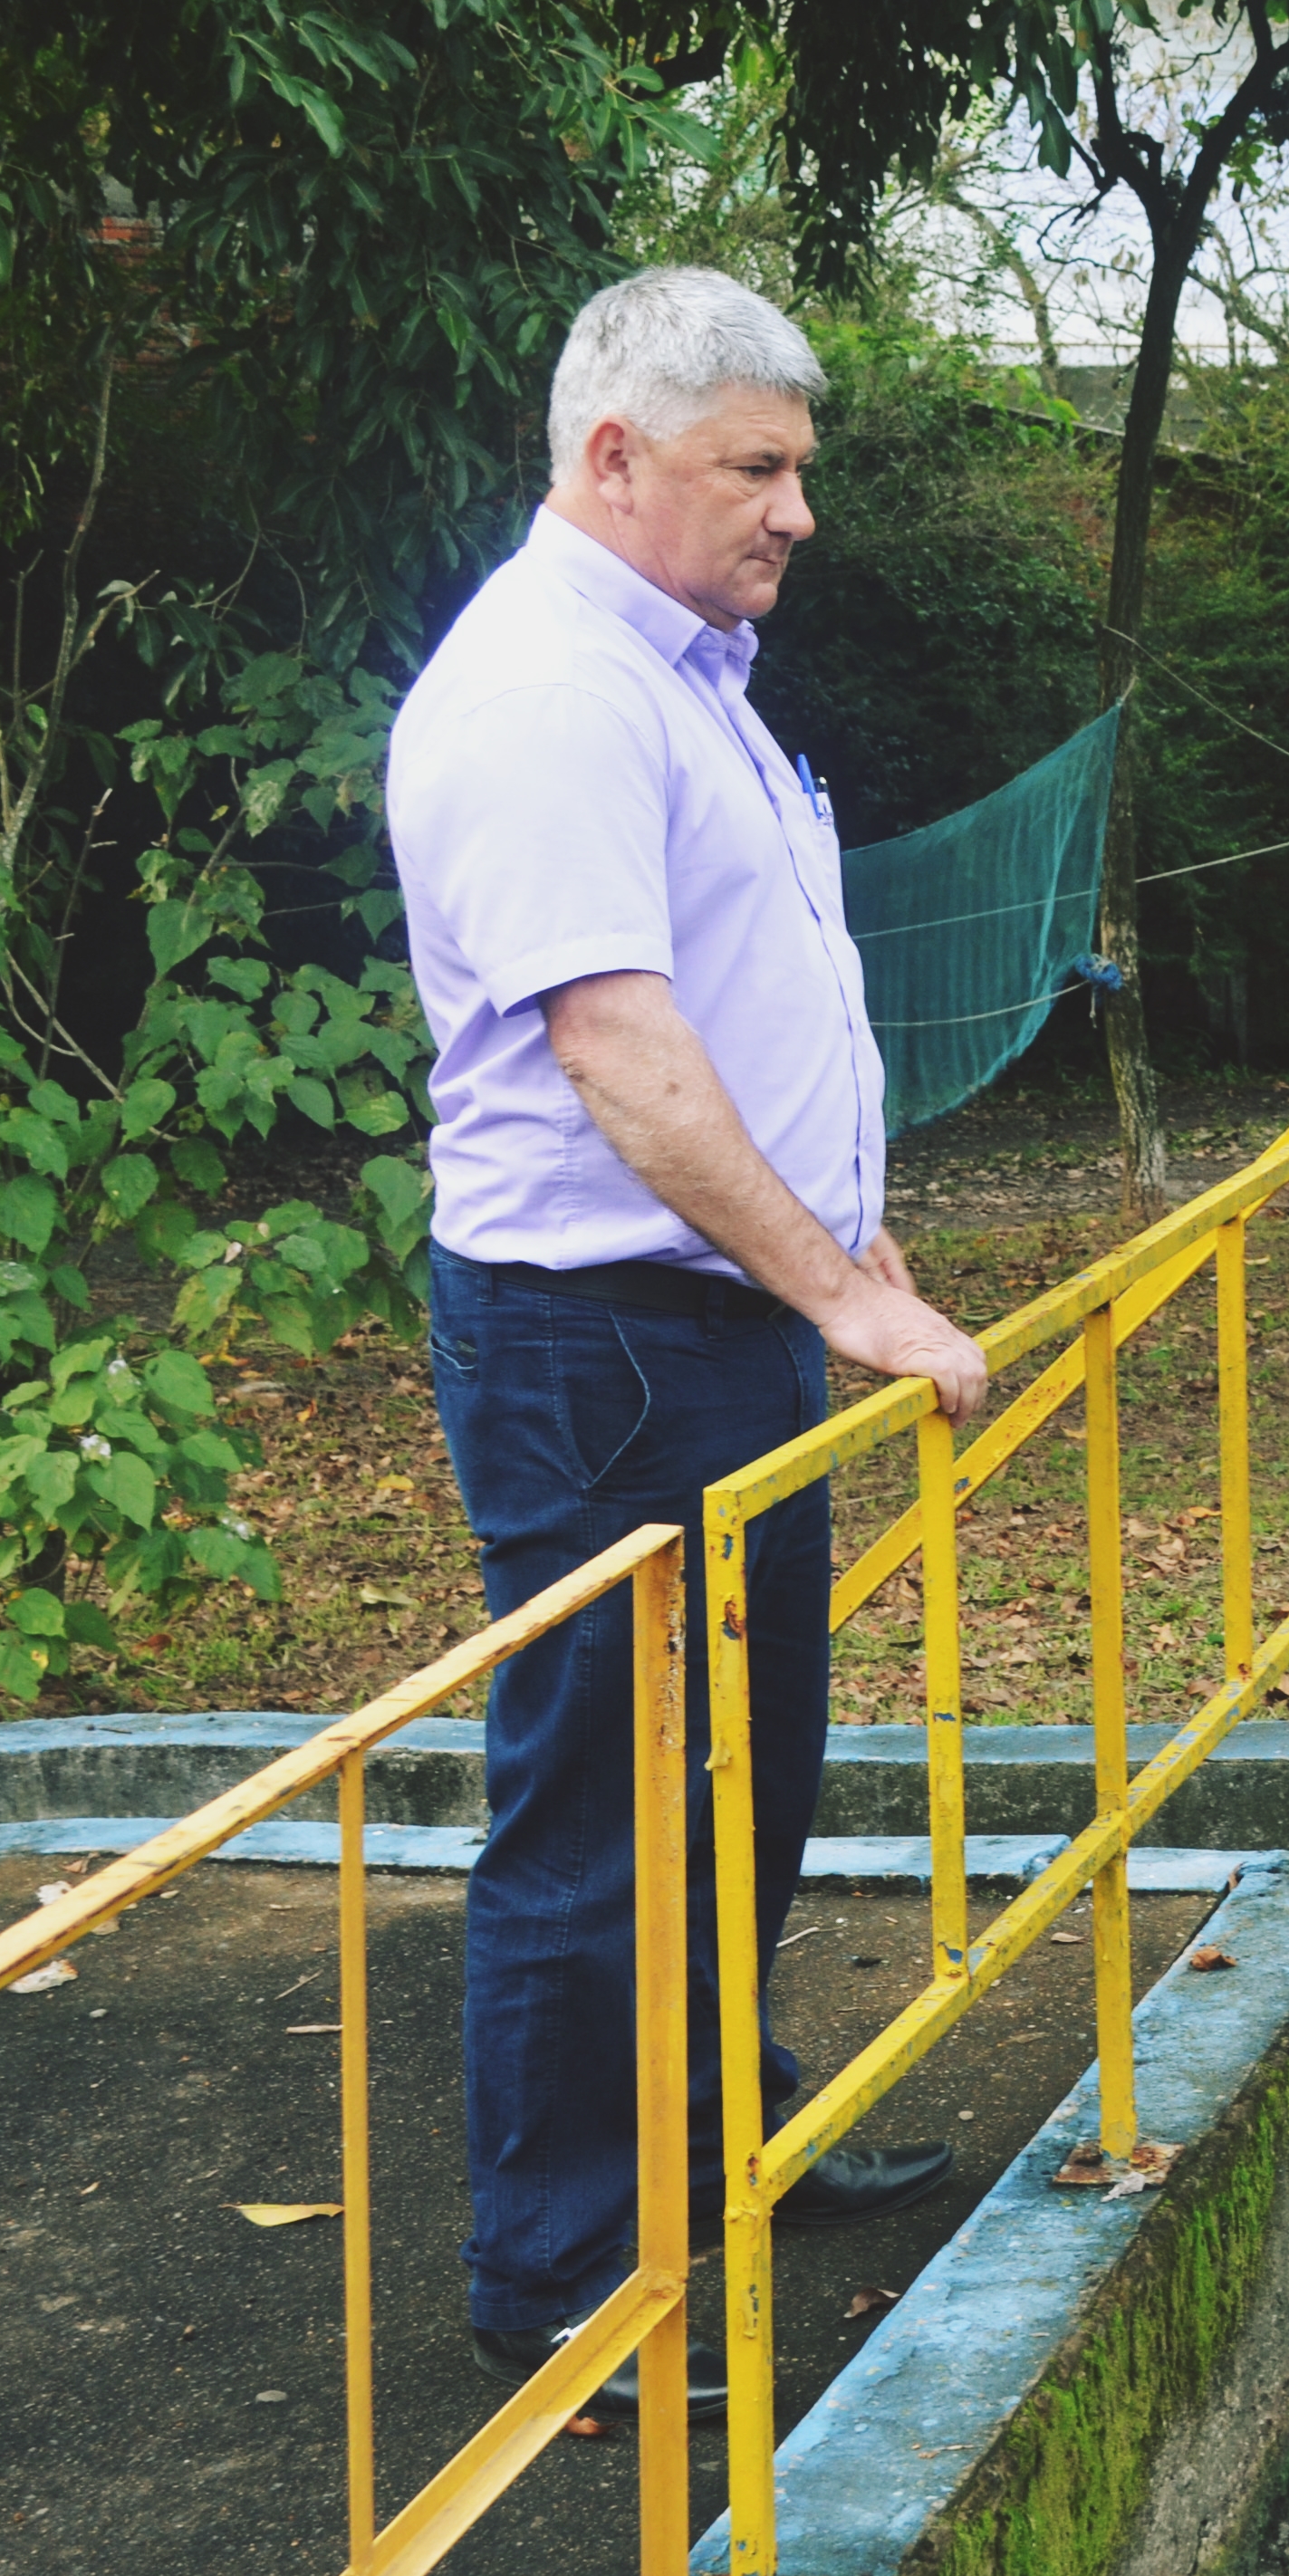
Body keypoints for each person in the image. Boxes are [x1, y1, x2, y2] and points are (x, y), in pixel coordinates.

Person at [390, 265, 995, 2414]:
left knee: (738, 1780)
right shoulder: (552, 692)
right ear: (615, 458)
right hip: (606, 1342)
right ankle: (559, 2280)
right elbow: (620, 1054)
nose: (795, 514)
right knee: (601, 1808)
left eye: (799, 470)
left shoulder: (681, 664)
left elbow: (739, 996)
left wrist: (842, 1226)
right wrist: (844, 1294)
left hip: (706, 1316)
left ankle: (717, 2149)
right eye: (758, 469)